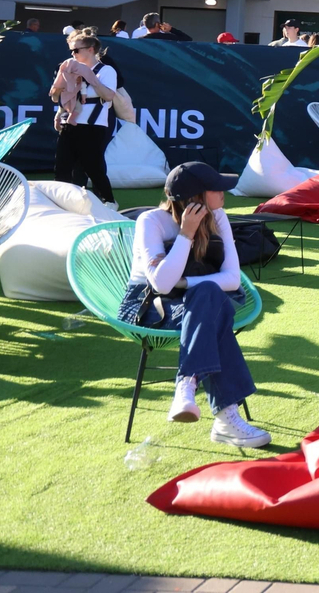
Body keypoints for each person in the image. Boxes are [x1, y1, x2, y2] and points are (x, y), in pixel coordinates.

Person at [119, 162, 269, 448]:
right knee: (213, 306)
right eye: (215, 187)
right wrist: (186, 234)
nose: (224, 192)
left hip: (196, 301)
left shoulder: (218, 216)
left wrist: (185, 283)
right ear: (196, 197)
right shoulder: (150, 221)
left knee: (209, 296)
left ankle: (186, 384)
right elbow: (161, 285)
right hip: (148, 306)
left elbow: (233, 280)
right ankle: (227, 418)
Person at [50, 33, 119, 206]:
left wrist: (90, 77)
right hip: (70, 123)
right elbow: (65, 95)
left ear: (90, 49)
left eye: (76, 50)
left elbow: (109, 96)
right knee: (62, 167)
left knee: (92, 167)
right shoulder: (71, 68)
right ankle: (62, 204)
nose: (72, 54)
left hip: (93, 126)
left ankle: (109, 201)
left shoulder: (106, 70)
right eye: (71, 50)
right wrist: (59, 113)